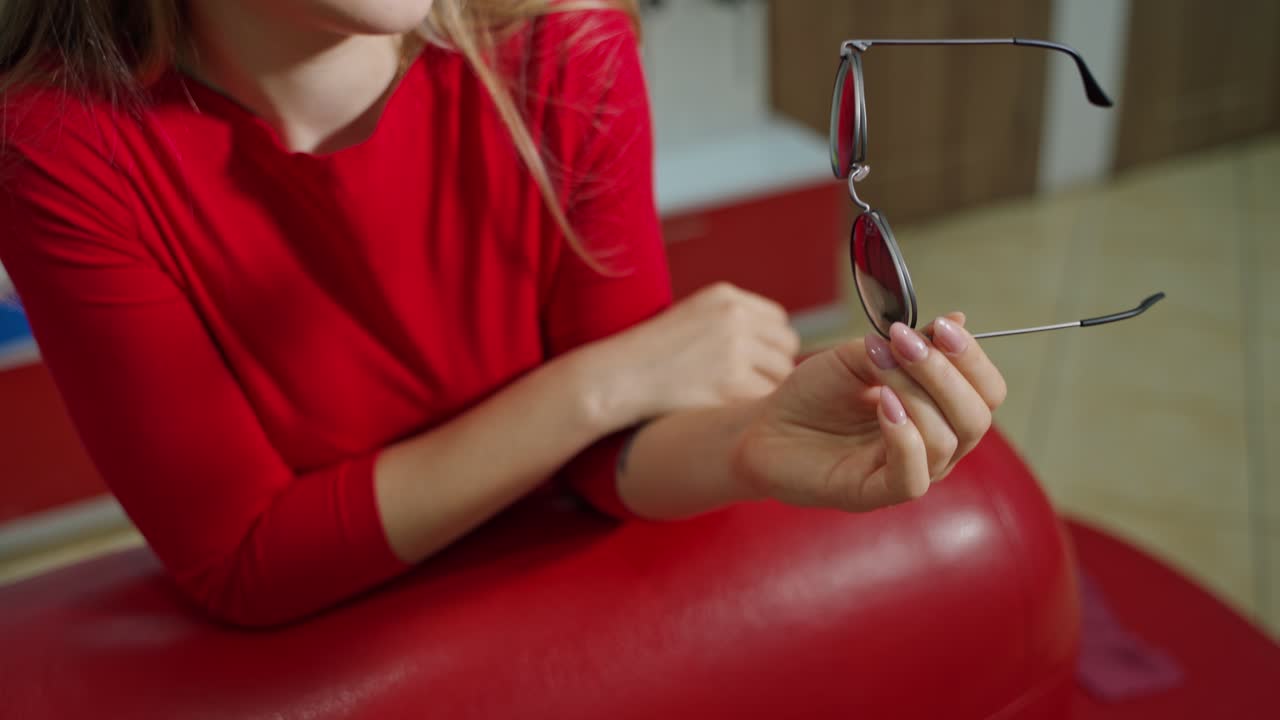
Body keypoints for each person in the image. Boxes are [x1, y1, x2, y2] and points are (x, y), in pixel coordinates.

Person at [0, 0, 1006, 627]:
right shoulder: (56, 146)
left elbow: (611, 459)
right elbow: (241, 562)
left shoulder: (564, 42)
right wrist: (598, 382)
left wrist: (748, 441)